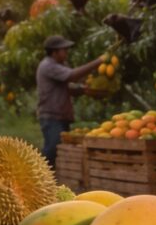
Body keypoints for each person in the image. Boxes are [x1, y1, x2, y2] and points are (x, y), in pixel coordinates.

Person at [35, 34, 104, 167]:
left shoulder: (58, 65)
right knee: (52, 149)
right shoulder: (48, 65)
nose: (66, 53)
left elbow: (68, 88)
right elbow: (72, 76)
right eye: (64, 50)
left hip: (60, 115)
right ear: (54, 52)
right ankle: (37, 177)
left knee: (58, 150)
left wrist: (84, 90)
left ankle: (50, 179)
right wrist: (99, 61)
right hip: (51, 116)